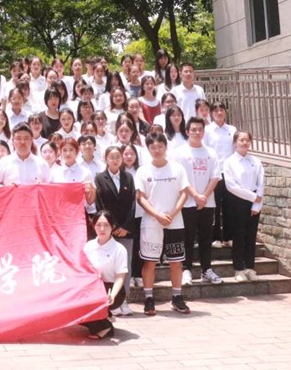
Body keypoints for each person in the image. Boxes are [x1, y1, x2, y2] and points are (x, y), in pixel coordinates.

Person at [135, 132, 194, 316]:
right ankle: (148, 298)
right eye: (153, 147)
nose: (157, 150)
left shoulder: (177, 169)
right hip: (151, 223)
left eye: (160, 146)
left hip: (174, 222)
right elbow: (140, 197)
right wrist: (157, 215)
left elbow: (184, 193)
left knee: (176, 262)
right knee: (149, 262)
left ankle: (177, 297)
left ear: (165, 147)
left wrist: (172, 213)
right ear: (148, 149)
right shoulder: (143, 171)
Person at [173, 118, 222, 286]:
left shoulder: (211, 153)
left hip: (207, 203)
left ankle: (206, 269)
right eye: (193, 129)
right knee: (187, 238)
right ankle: (186, 269)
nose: (197, 132)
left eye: (200, 129)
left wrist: (204, 197)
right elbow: (181, 179)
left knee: (206, 238)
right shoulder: (179, 153)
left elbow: (215, 177)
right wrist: (195, 196)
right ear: (187, 132)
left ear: (203, 131)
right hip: (187, 203)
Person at [93, 146, 135, 316]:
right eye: (111, 157)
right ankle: (110, 301)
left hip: (126, 230)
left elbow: (133, 204)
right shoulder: (99, 178)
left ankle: (124, 300)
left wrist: (125, 227)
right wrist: (113, 227)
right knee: (107, 267)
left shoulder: (128, 177)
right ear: (106, 159)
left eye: (118, 157)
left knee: (125, 267)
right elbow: (100, 204)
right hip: (108, 229)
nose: (115, 160)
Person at [222, 131, 264, 282]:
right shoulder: (229, 162)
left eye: (247, 140)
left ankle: (250, 268)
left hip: (254, 204)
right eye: (241, 140)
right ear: (235, 143)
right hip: (237, 201)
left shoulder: (256, 161)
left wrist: (257, 204)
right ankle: (238, 269)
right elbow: (231, 186)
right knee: (238, 236)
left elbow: (261, 183)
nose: (244, 143)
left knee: (250, 237)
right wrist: (252, 197)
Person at [81, 211, 129, 339]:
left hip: (111, 288)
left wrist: (112, 295)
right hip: (92, 288)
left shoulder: (119, 249)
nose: (102, 229)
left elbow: (120, 277)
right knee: (73, 308)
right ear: (93, 226)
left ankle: (104, 326)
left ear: (113, 226)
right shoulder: (88, 246)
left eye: (106, 225)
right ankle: (102, 320)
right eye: (98, 225)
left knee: (90, 309)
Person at [205, 101, 237, 248]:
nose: (219, 113)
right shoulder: (207, 130)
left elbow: (235, 150)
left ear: (225, 112)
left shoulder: (232, 129)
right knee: (215, 206)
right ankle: (216, 236)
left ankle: (229, 236)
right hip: (215, 173)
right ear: (211, 113)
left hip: (229, 172)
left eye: (221, 110)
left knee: (229, 205)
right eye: (216, 110)